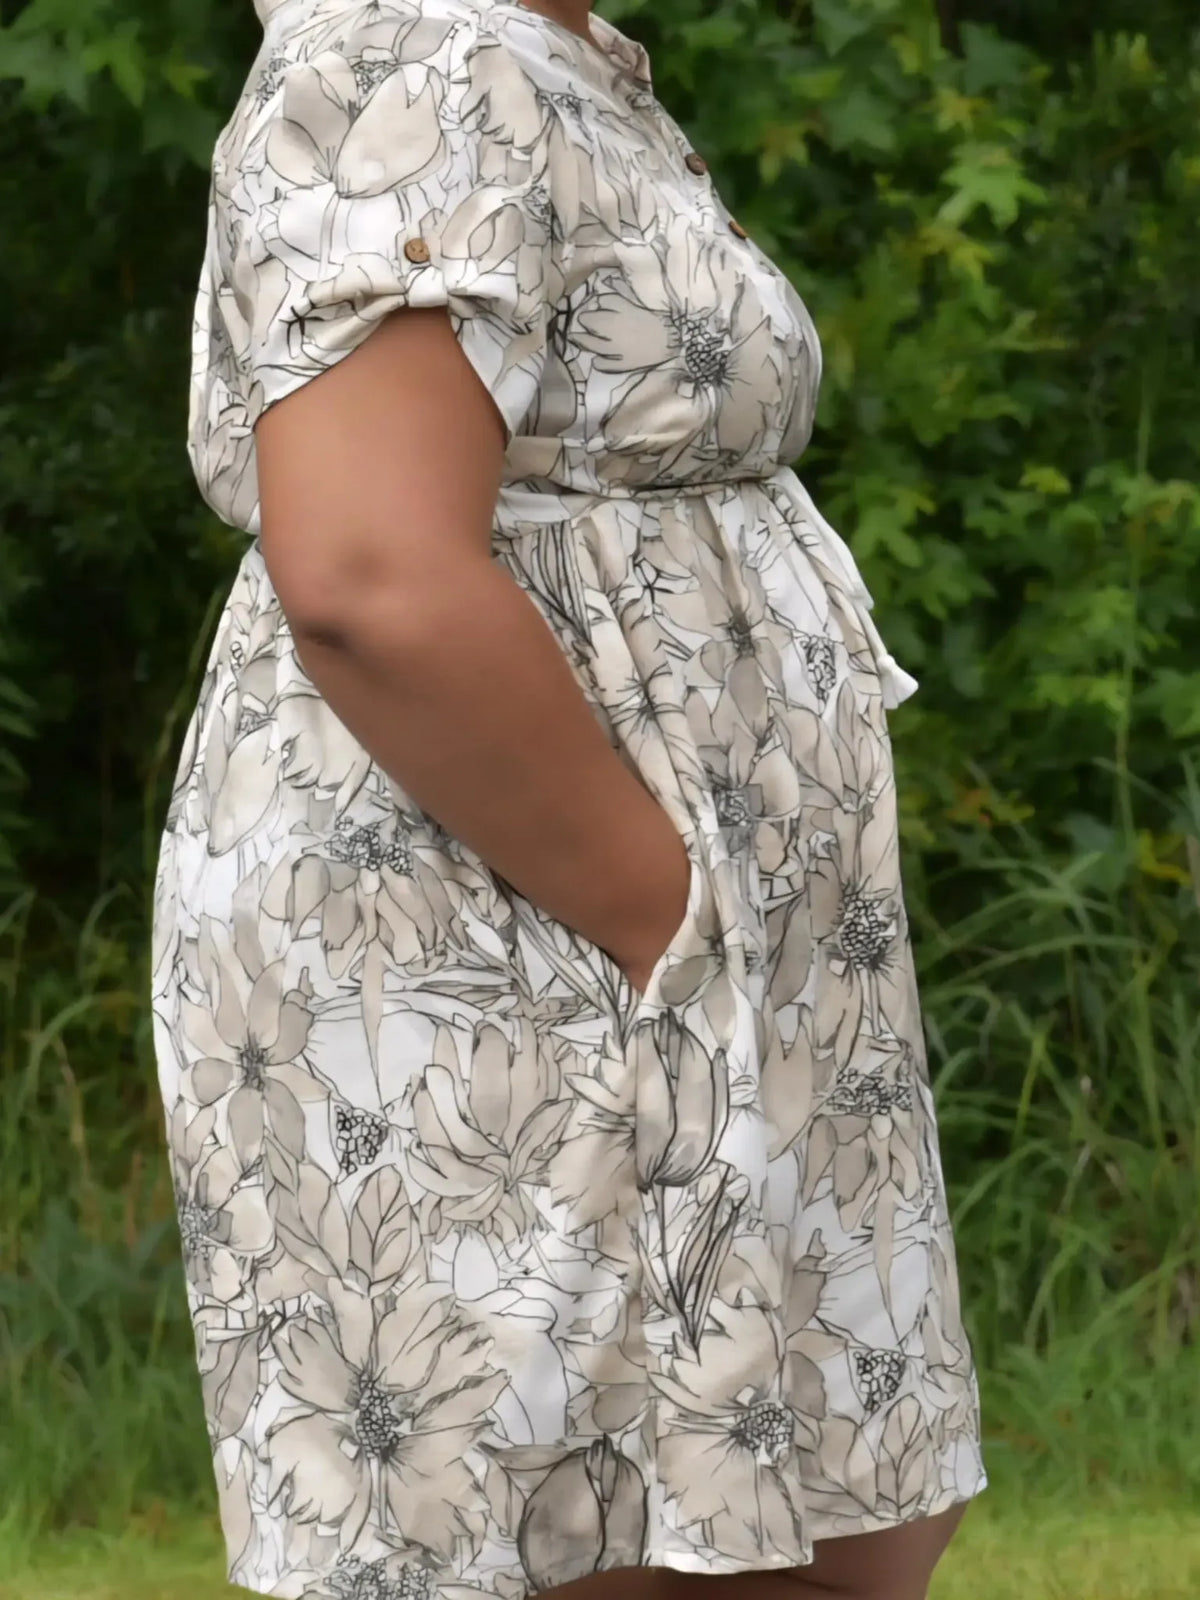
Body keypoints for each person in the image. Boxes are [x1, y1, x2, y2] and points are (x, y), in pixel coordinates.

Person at [149, 2, 988, 1598]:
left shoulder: (552, 54)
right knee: (581, 1537)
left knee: (819, 1522)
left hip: (665, 956)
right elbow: (374, 577)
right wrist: (662, 916)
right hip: (523, 937)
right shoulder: (407, 49)